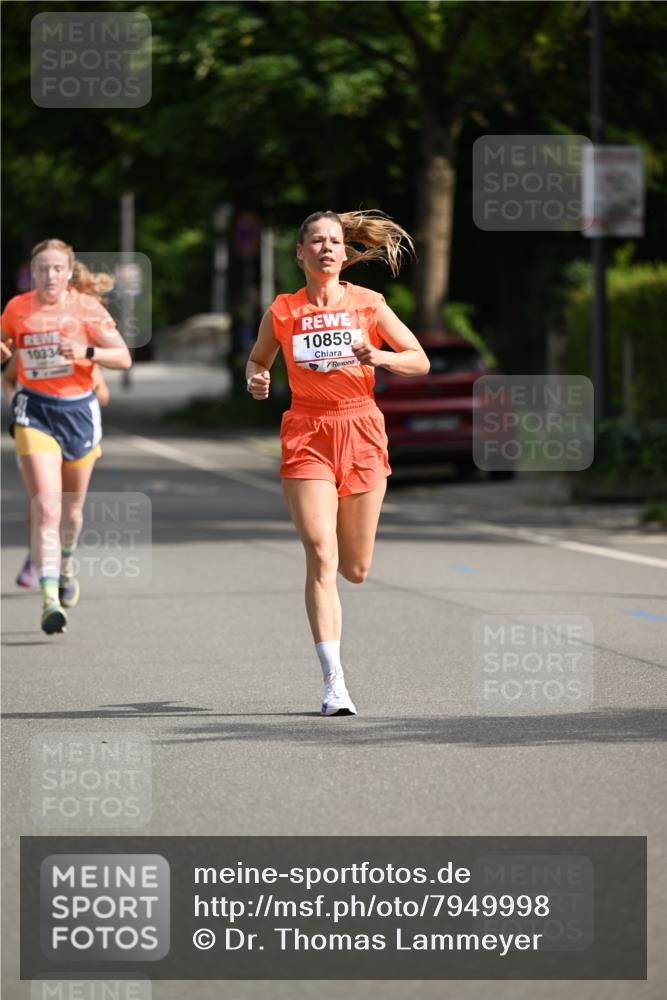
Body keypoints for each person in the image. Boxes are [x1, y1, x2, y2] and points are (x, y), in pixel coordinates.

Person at [246, 210, 429, 716]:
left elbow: (419, 358)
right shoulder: (282, 312)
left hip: (363, 430)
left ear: (345, 254)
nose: (327, 248)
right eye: (317, 242)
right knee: (321, 555)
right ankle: (335, 684)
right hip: (307, 430)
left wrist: (380, 357)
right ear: (301, 254)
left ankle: (337, 667)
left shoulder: (369, 304)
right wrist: (256, 379)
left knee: (355, 567)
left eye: (335, 242)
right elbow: (259, 360)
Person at [1, 239, 132, 634]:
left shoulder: (86, 308)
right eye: (42, 269)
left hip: (78, 413)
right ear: (33, 271)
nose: (50, 276)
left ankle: (68, 564)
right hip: (34, 411)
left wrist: (86, 351)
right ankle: (49, 601)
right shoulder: (17, 307)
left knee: (72, 512)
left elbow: (123, 358)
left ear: (70, 272)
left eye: (57, 269)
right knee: (48, 507)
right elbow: (6, 344)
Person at [2, 351, 111, 588]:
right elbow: (8, 378)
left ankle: (64, 562)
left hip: (77, 429)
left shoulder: (81, 356)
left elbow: (103, 396)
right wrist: (16, 401)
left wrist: (83, 392)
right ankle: (35, 555)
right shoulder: (30, 349)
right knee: (42, 501)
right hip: (35, 426)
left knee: (68, 507)